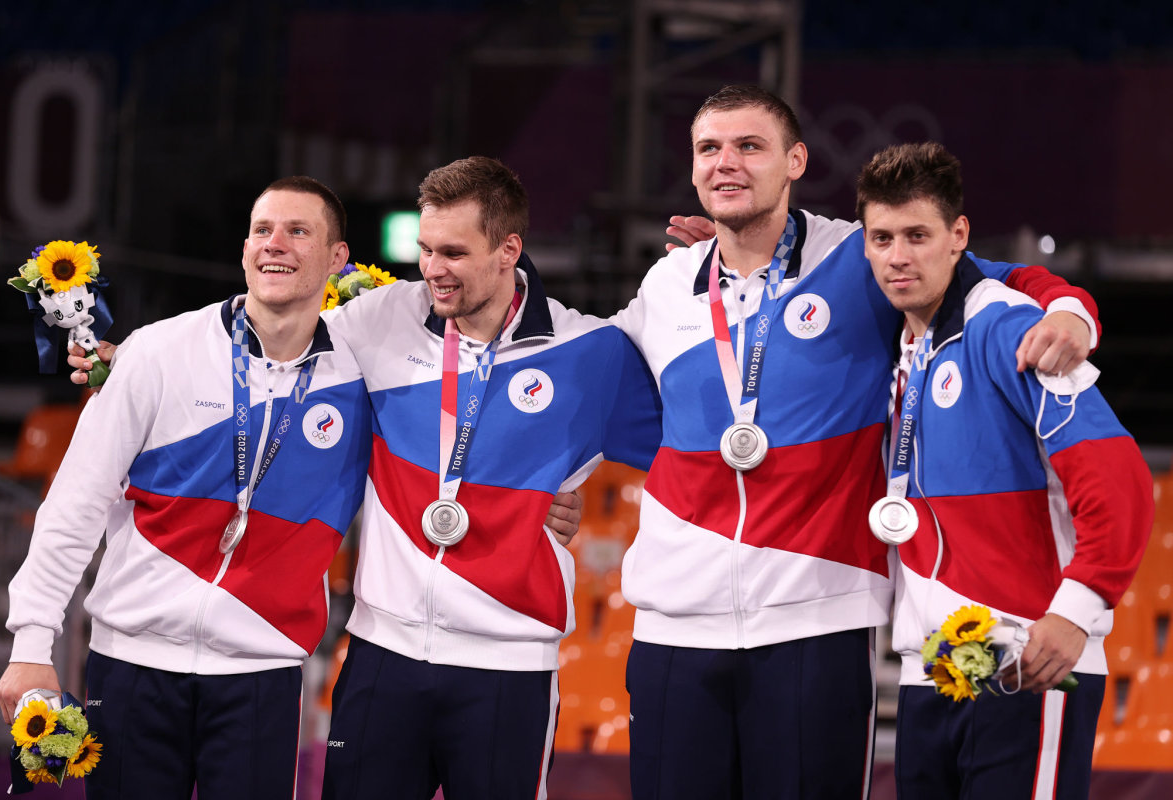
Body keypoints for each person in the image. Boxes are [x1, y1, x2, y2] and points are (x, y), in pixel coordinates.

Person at [0, 175, 583, 799]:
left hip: (263, 676)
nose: (274, 244)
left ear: (337, 259)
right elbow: (75, 502)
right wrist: (33, 639)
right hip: (132, 662)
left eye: (298, 231)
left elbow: (467, 402)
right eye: (261, 230)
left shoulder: (368, 373)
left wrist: (543, 493)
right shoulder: (160, 352)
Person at [611, 85, 1105, 799]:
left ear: (796, 161)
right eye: (710, 149)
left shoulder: (861, 256)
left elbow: (993, 280)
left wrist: (1070, 310)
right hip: (674, 630)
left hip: (818, 616)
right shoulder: (667, 284)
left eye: (750, 146)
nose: (728, 163)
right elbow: (581, 381)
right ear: (691, 169)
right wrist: (559, 487)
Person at [316, 156, 663, 800]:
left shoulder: (589, 354)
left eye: (453, 252)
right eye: (424, 250)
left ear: (509, 250)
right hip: (380, 655)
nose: (431, 271)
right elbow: (272, 362)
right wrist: (135, 362)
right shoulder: (378, 321)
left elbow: (704, 429)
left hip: (507, 667)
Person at [857, 142, 1151, 800]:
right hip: (934, 664)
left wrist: (1076, 611)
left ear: (957, 235)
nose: (899, 256)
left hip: (1026, 652)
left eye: (917, 235)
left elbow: (1121, 480)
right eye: (882, 238)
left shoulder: (1011, 327)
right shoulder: (895, 338)